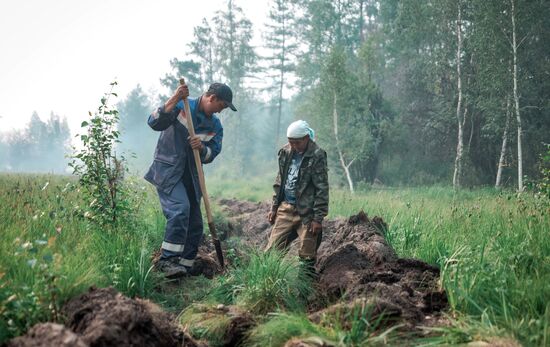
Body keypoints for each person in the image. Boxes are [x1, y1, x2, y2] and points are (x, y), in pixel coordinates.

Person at [145, 81, 237, 279]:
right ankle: (166, 261)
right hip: (169, 173)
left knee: (195, 225)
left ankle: (184, 267)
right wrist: (175, 97)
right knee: (180, 209)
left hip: (192, 177)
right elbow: (153, 122)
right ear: (212, 98)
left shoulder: (215, 126)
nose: (220, 112)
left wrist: (202, 149)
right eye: (221, 106)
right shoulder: (181, 107)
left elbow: (212, 154)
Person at [265, 120, 329, 275]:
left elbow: (322, 188)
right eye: (290, 142)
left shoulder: (317, 155)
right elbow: (280, 180)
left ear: (307, 138)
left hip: (307, 213)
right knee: (271, 252)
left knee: (307, 256)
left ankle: (306, 290)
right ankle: (268, 283)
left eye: (297, 143)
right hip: (286, 208)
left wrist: (318, 218)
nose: (294, 146)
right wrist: (274, 207)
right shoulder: (285, 153)